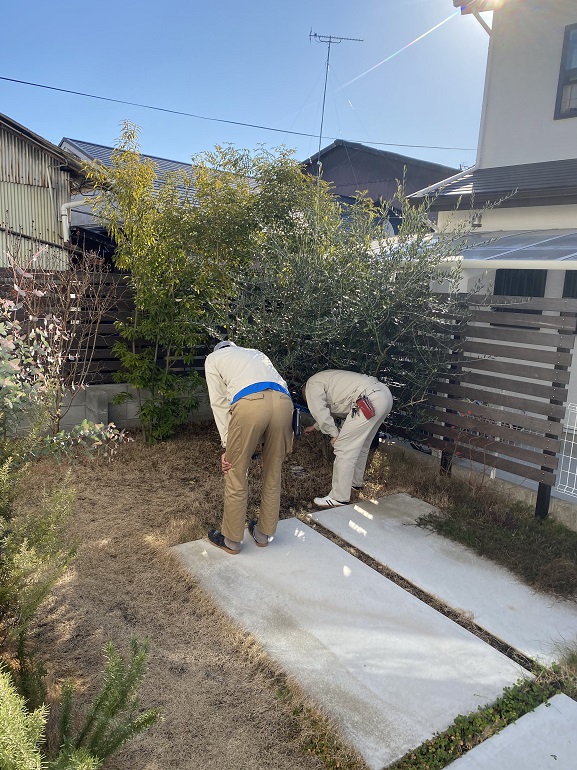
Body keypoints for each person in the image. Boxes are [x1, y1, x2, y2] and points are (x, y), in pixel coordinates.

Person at [204, 341, 294, 554]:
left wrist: (228, 445)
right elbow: (272, 395)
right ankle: (263, 535)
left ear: (218, 351)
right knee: (273, 470)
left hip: (248, 404)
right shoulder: (255, 352)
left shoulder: (213, 359)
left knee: (236, 471)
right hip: (284, 402)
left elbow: (218, 403)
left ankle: (232, 541)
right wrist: (265, 446)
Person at [302, 370, 393, 508]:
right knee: (362, 444)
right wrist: (315, 427)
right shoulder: (325, 378)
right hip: (383, 395)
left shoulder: (311, 385)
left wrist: (334, 435)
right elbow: (329, 410)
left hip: (367, 398)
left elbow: (320, 411)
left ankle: (338, 497)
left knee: (343, 447)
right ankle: (355, 483)